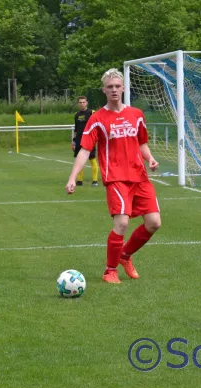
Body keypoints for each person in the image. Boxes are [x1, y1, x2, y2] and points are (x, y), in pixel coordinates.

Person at [65, 68, 161, 284]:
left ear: (124, 88)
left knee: (154, 222)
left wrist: (151, 159)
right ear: (104, 91)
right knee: (122, 224)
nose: (114, 90)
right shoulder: (97, 118)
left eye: (118, 86)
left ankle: (125, 256)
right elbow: (83, 150)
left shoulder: (136, 114)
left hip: (140, 176)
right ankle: (110, 270)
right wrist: (72, 178)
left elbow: (142, 142)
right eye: (110, 87)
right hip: (115, 177)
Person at [73, 96, 99, 186]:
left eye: (83, 102)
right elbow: (76, 129)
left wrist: (95, 137)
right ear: (78, 103)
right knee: (79, 160)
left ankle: (95, 181)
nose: (82, 104)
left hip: (89, 139)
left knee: (92, 159)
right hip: (79, 140)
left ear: (87, 103)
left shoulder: (92, 112)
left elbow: (97, 126)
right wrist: (74, 141)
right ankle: (79, 180)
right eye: (80, 102)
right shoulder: (77, 114)